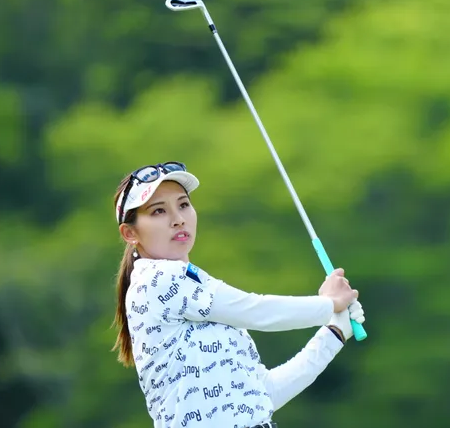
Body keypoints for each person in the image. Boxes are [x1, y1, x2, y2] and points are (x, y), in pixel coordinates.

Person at [110, 161, 366, 428]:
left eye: (183, 204)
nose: (178, 219)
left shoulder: (203, 302)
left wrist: (334, 332)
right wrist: (329, 303)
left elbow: (264, 395)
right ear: (130, 233)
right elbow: (256, 311)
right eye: (159, 211)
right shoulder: (158, 278)